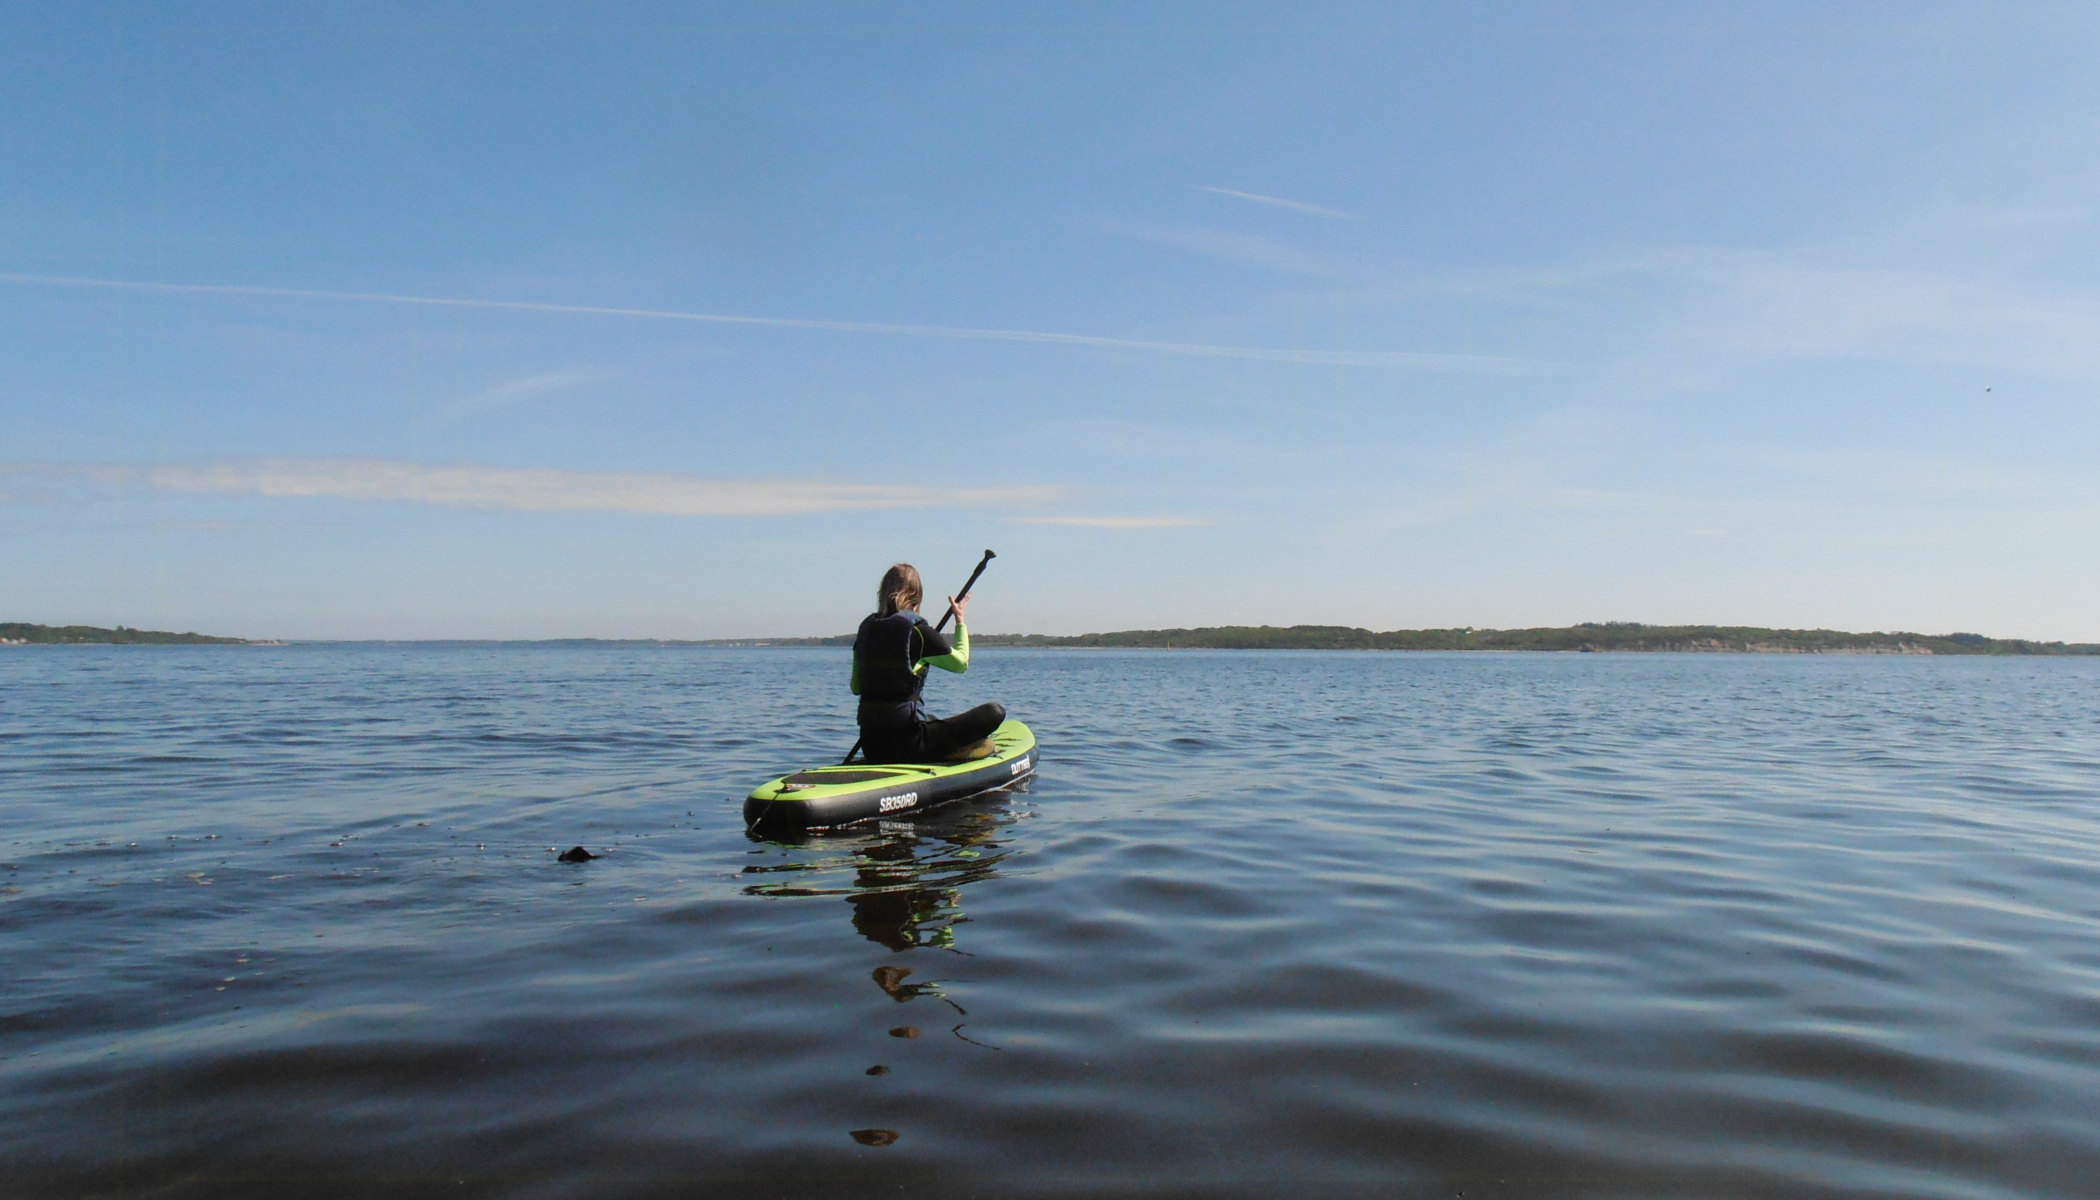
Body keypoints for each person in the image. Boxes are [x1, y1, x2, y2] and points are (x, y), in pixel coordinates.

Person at [851, 563, 1006, 764]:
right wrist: (960, 621)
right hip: (910, 745)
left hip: (871, 745)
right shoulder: (917, 631)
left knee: (930, 719)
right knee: (994, 712)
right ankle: (952, 752)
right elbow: (960, 663)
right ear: (915, 593)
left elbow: (856, 687)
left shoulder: (866, 629)